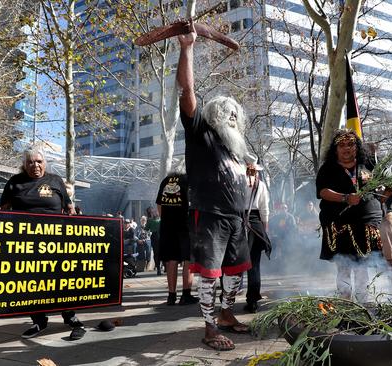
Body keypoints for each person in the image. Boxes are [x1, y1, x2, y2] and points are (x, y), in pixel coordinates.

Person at [177, 22, 252, 351]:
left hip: (237, 219)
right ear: (212, 115)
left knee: (236, 272)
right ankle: (209, 329)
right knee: (210, 274)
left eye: (235, 112)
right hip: (209, 216)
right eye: (225, 111)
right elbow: (188, 92)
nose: (231, 116)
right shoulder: (200, 132)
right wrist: (187, 48)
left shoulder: (236, 149)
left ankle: (226, 315)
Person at [0, 147, 85, 340]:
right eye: (31, 162)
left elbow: (70, 209)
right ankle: (39, 320)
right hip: (25, 243)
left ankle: (70, 316)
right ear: (24, 165)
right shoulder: (15, 182)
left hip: (56, 242)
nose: (35, 165)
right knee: (31, 282)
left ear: (45, 163)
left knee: (60, 280)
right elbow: (4, 210)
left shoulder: (55, 181)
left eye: (39, 161)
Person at [316, 130, 383, 300]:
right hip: (339, 226)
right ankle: (346, 305)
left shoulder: (367, 164)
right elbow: (322, 192)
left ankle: (364, 303)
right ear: (335, 149)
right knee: (344, 267)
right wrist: (345, 198)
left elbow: (380, 186)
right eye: (341, 145)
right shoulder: (328, 168)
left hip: (365, 226)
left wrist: (384, 190)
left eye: (351, 144)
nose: (346, 148)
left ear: (357, 147)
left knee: (362, 267)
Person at [156, 170, 199, 306]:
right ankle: (186, 295)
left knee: (171, 259)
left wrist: (166, 219)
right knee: (188, 259)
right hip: (185, 225)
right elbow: (194, 203)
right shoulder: (188, 181)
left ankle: (171, 296)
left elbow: (159, 205)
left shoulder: (165, 181)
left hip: (167, 226)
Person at [244, 161, 271, 313]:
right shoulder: (261, 185)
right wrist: (264, 229)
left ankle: (226, 301)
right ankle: (252, 301)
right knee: (254, 265)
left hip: (238, 223)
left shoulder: (236, 183)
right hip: (255, 224)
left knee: (232, 265)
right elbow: (264, 209)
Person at [145, 207, 162, 275]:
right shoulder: (159, 218)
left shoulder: (150, 220)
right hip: (160, 236)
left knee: (156, 253)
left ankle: (159, 268)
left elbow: (146, 228)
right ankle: (163, 268)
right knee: (161, 252)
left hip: (155, 236)